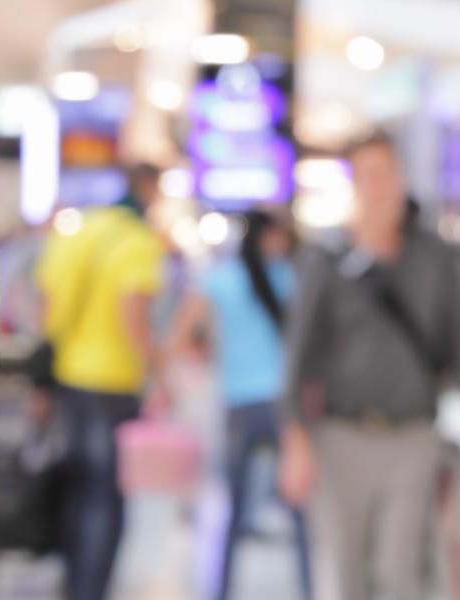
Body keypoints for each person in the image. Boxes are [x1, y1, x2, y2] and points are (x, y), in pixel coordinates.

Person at [277, 132, 460, 600]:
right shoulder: (325, 260)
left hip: (413, 433)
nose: (382, 186)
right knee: (347, 569)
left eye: (389, 173)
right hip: (342, 436)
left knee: (400, 570)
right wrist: (295, 443)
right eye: (370, 176)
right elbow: (299, 355)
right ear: (355, 184)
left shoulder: (434, 256)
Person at [33, 164, 168, 600]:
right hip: (113, 382)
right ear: (147, 190)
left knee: (74, 486)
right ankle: (91, 590)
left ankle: (72, 583)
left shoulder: (77, 232)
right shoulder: (138, 240)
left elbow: (45, 304)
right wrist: (158, 372)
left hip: (69, 375)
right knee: (106, 498)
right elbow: (133, 313)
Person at [164, 209, 310, 600]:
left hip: (240, 405)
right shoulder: (288, 278)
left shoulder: (222, 279)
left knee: (236, 507)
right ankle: (308, 590)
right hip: (283, 404)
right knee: (298, 512)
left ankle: (222, 591)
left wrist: (163, 374)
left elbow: (182, 325)